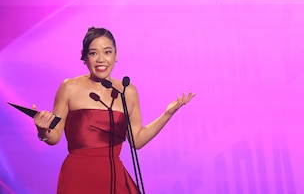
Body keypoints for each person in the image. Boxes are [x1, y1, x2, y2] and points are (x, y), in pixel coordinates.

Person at [33, 27, 196, 194]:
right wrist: (42, 130)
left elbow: (136, 141)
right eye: (93, 53)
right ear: (84, 56)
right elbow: (54, 137)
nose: (101, 60)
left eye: (107, 52)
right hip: (77, 176)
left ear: (116, 55)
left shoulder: (127, 91)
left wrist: (167, 114)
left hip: (113, 177)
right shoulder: (69, 87)